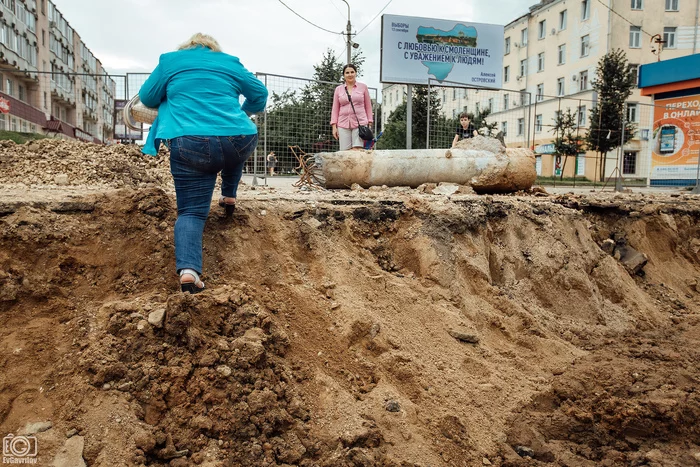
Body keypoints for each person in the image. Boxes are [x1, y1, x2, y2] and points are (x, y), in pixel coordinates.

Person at [139, 33, 268, 294]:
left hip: (190, 143)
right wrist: (240, 114)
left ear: (186, 48)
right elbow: (260, 94)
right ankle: (229, 195)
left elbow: (148, 97)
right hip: (239, 138)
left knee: (192, 212)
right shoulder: (230, 62)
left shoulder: (170, 61)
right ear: (214, 49)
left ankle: (189, 272)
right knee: (231, 148)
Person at [331, 64, 373, 151]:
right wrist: (334, 127)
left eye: (352, 72)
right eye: (347, 73)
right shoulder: (338, 89)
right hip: (343, 124)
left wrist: (370, 122)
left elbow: (368, 106)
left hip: (360, 123)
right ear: (343, 75)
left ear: (355, 73)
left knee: (357, 150)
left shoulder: (363, 87)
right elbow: (335, 109)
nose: (350, 74)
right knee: (345, 152)